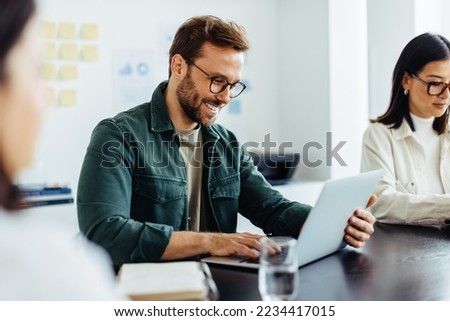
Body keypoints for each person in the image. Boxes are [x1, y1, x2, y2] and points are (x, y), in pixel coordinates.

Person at [78, 15, 376, 269]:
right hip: (147, 293)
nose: (225, 97)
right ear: (179, 66)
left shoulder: (226, 144)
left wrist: (333, 222)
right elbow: (104, 233)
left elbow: (271, 208)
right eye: (217, 81)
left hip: (220, 286)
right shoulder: (118, 135)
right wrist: (210, 241)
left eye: (233, 86)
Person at [0, 0, 122, 299]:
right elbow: (106, 230)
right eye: (36, 71)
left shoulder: (225, 142)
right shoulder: (47, 270)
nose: (47, 98)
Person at [361, 32, 450, 226]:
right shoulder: (378, 136)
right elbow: (381, 204)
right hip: (402, 251)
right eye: (435, 83)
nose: (446, 95)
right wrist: (446, 206)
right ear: (406, 80)